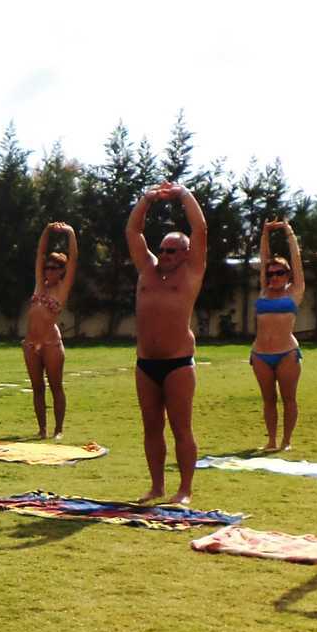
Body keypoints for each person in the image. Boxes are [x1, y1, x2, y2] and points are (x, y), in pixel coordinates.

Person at [125, 181, 209, 504]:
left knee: (180, 427)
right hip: (146, 363)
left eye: (171, 250)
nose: (163, 254)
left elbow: (200, 227)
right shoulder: (147, 269)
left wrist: (183, 194)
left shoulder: (191, 272)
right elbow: (133, 232)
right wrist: (145, 199)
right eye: (161, 249)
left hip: (177, 364)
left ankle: (184, 489)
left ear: (186, 253)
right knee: (151, 427)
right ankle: (157, 486)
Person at [249, 219, 305, 452]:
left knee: (288, 398)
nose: (274, 277)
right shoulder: (264, 289)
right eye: (271, 273)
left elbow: (297, 260)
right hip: (261, 354)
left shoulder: (294, 291)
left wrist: (288, 232)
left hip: (286, 354)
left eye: (279, 273)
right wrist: (264, 233)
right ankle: (271, 439)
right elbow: (264, 259)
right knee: (268, 399)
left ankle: (286, 441)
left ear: (288, 274)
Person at [22, 222, 78, 438]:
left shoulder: (62, 289)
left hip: (51, 344)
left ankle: (58, 429)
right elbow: (39, 254)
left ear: (62, 271)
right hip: (30, 344)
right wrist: (46, 231)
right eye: (47, 267)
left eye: (54, 268)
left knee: (56, 386)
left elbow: (73, 259)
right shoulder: (39, 285)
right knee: (37, 388)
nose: (48, 271)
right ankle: (42, 429)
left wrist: (70, 233)